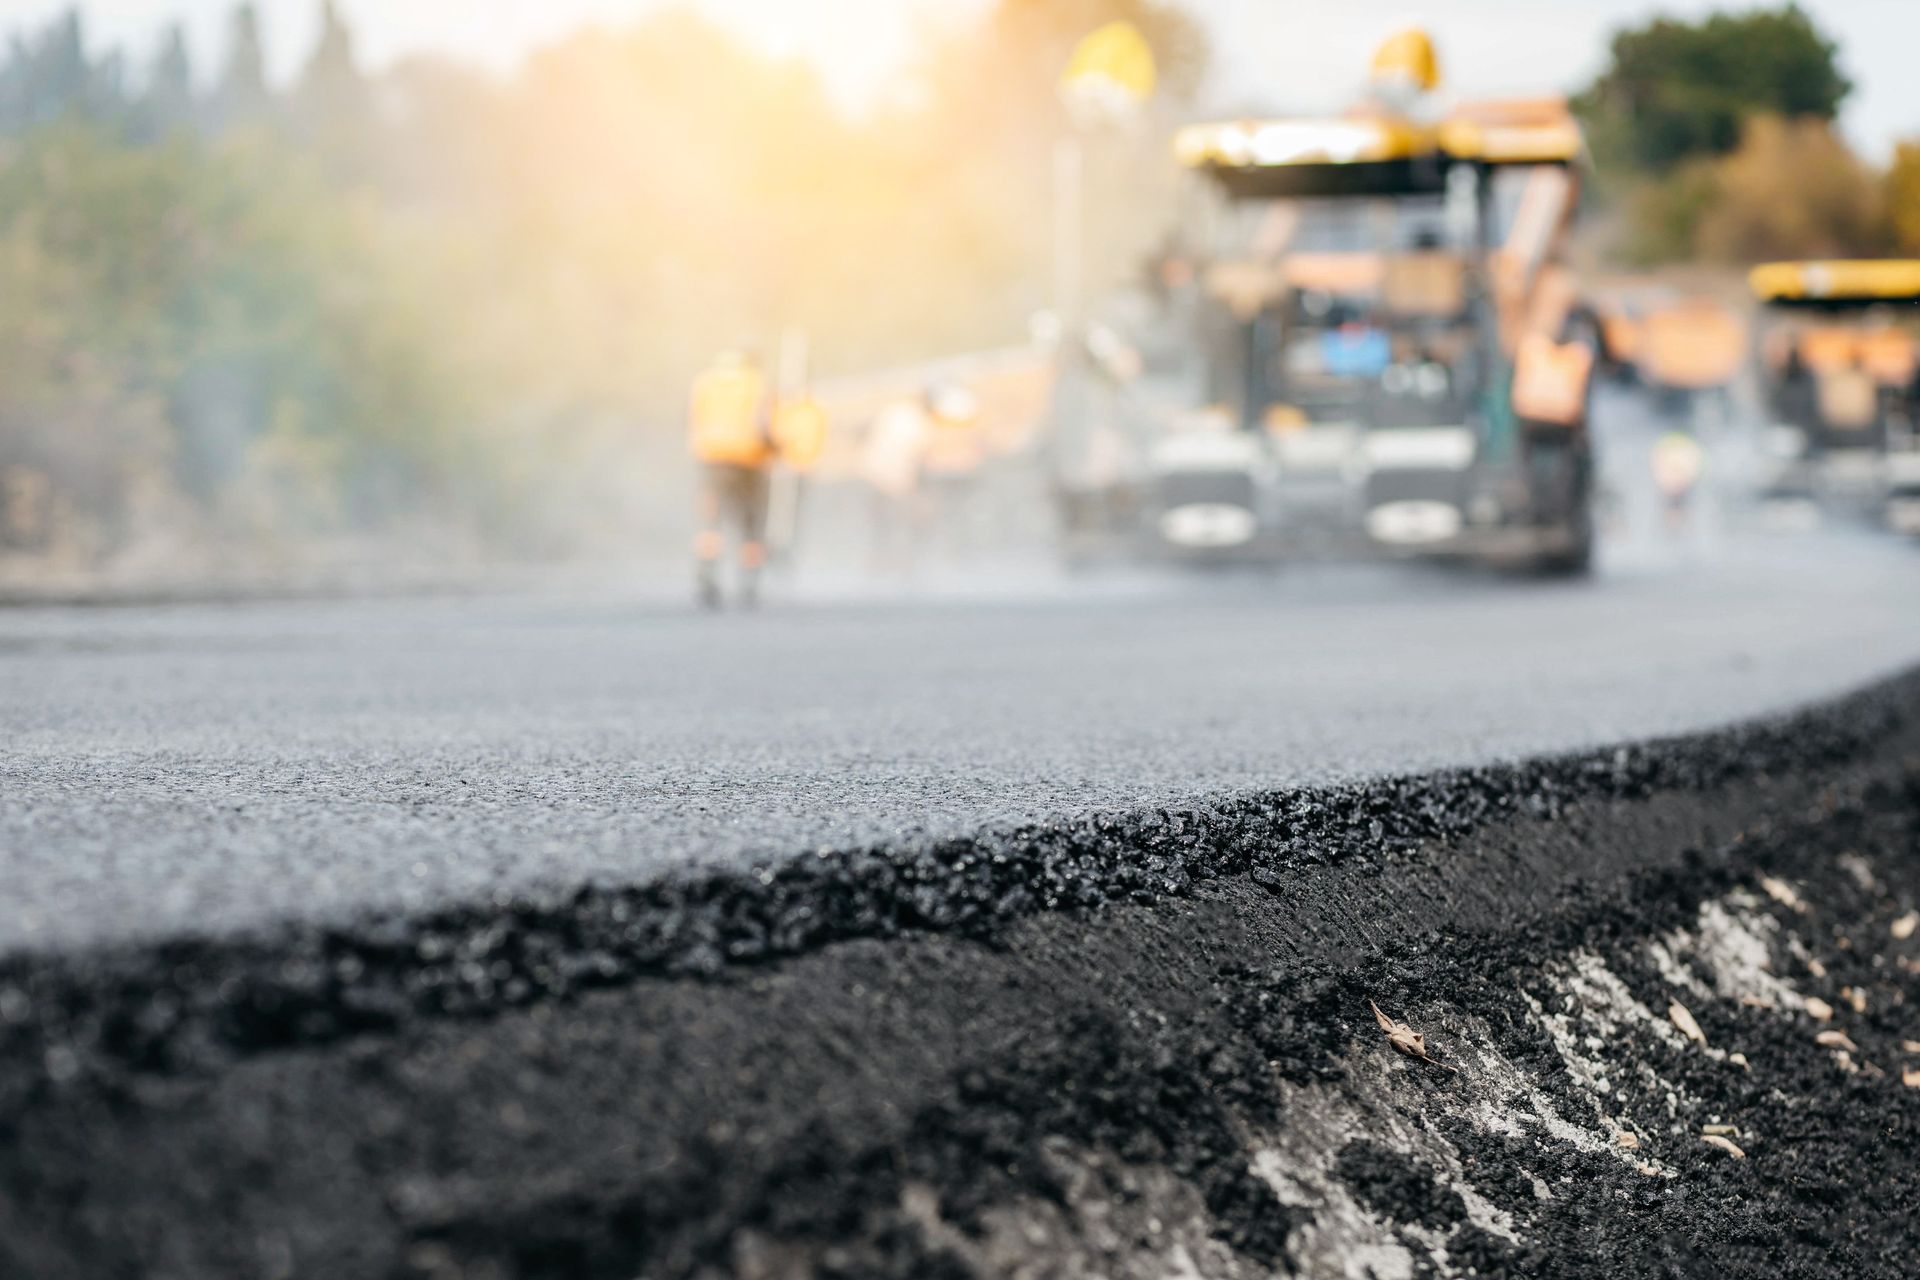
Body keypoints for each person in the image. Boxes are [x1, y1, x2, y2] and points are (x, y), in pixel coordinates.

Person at [688, 349, 773, 608]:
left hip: (713, 459)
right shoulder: (756, 384)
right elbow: (763, 424)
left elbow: (691, 419)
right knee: (751, 525)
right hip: (749, 461)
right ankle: (749, 584)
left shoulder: (704, 384)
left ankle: (707, 576)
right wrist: (775, 446)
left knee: (711, 523)